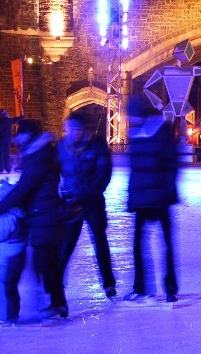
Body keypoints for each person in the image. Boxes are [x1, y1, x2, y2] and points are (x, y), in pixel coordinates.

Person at [0, 119, 68, 319]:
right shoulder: (38, 153)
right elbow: (24, 188)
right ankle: (56, 303)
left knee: (45, 264)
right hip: (41, 215)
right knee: (45, 263)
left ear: (28, 136)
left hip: (45, 216)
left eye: (20, 134)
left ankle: (57, 304)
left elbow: (23, 189)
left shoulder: (39, 156)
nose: (17, 139)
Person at [123, 95, 180, 304]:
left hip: (160, 197)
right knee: (140, 244)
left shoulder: (161, 131)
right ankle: (141, 287)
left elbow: (171, 165)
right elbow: (135, 169)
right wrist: (132, 196)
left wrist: (165, 190)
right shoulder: (135, 133)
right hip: (143, 197)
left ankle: (170, 289)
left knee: (165, 244)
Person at [57, 112, 117, 299]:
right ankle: (56, 284)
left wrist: (91, 191)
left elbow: (104, 172)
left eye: (77, 129)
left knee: (100, 242)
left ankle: (108, 283)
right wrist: (60, 196)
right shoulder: (61, 147)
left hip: (92, 202)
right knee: (66, 245)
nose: (74, 133)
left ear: (84, 130)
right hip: (71, 202)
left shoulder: (96, 145)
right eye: (70, 129)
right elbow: (54, 172)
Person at [0, 180, 27, 327]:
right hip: (14, 255)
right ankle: (10, 314)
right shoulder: (18, 214)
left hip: (6, 258)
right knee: (9, 286)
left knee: (2, 286)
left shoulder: (8, 216)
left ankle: (6, 316)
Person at [0, 109, 22, 174]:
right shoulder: (9, 120)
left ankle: (0, 169)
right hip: (7, 140)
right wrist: (21, 116)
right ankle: (8, 169)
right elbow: (16, 119)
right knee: (7, 154)